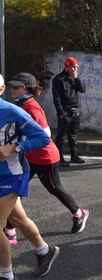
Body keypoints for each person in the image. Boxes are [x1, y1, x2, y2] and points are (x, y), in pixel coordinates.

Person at [0, 74, 60, 280]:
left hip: (12, 173)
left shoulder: (14, 112)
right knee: (18, 219)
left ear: (1, 89)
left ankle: (7, 277)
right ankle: (45, 251)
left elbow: (43, 138)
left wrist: (14, 148)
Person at [7, 72, 90, 235]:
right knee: (16, 189)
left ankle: (79, 214)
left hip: (45, 158)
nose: (12, 90)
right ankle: (10, 228)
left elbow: (44, 136)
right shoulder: (23, 105)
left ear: (27, 89)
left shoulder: (31, 108)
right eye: (11, 86)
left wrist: (17, 146)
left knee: (54, 188)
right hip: (30, 156)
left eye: (16, 87)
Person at [52, 56, 86, 167]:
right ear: (67, 67)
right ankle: (59, 158)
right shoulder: (58, 79)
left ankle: (74, 155)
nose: (74, 70)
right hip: (65, 111)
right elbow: (56, 98)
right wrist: (60, 112)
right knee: (61, 136)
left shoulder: (74, 79)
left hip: (75, 110)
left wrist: (76, 78)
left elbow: (83, 89)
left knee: (73, 135)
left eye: (76, 68)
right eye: (73, 67)